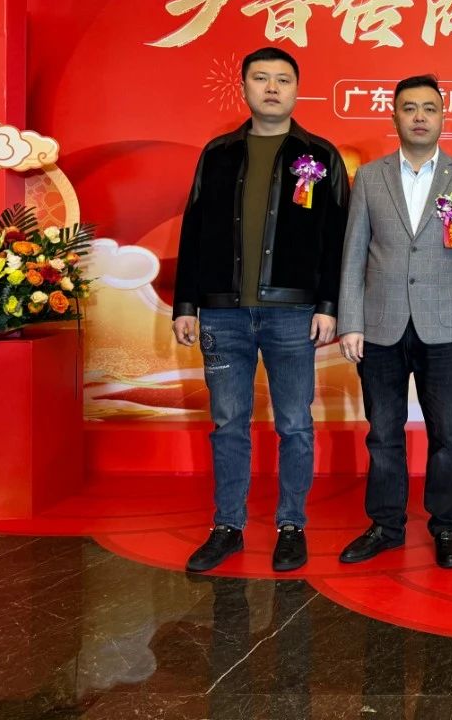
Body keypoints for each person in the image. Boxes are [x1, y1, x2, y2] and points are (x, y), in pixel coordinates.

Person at [173, 46, 348, 574]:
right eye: (261, 78)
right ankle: (227, 527)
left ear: (297, 90)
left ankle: (291, 526)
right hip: (222, 313)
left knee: (294, 423)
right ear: (244, 87)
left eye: (283, 79)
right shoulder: (218, 153)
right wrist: (186, 304)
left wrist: (329, 305)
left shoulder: (320, 155)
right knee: (228, 422)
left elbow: (337, 239)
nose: (272, 88)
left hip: (292, 314)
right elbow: (193, 229)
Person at [337, 75, 452, 569]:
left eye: (429, 108)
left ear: (443, 117)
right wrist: (350, 322)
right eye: (409, 108)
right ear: (395, 116)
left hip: (445, 328)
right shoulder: (370, 177)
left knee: (447, 434)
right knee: (383, 431)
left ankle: (445, 526)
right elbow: (353, 253)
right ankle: (385, 525)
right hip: (379, 325)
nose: (419, 116)